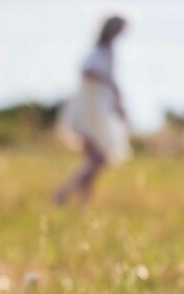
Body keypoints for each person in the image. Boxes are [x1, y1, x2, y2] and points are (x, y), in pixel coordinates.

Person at [55, 15, 129, 204]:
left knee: (93, 159)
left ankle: (82, 201)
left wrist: (116, 103)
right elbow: (86, 69)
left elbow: (108, 82)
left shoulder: (108, 51)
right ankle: (64, 191)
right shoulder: (98, 51)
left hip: (99, 110)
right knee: (98, 159)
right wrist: (108, 81)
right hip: (88, 111)